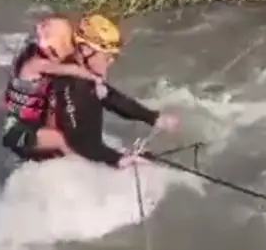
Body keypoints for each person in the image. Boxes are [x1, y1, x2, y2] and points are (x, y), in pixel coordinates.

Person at [47, 13, 179, 168]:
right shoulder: (74, 87)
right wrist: (118, 159)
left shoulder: (81, 74)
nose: (110, 62)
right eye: (108, 56)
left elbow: (110, 97)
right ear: (85, 50)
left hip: (82, 156)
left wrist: (152, 118)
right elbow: (81, 145)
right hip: (63, 167)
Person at [1, 15, 107, 161]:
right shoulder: (36, 64)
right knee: (58, 139)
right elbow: (68, 70)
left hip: (32, 128)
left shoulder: (39, 58)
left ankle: (87, 155)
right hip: (17, 132)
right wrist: (94, 77)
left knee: (64, 127)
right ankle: (83, 165)